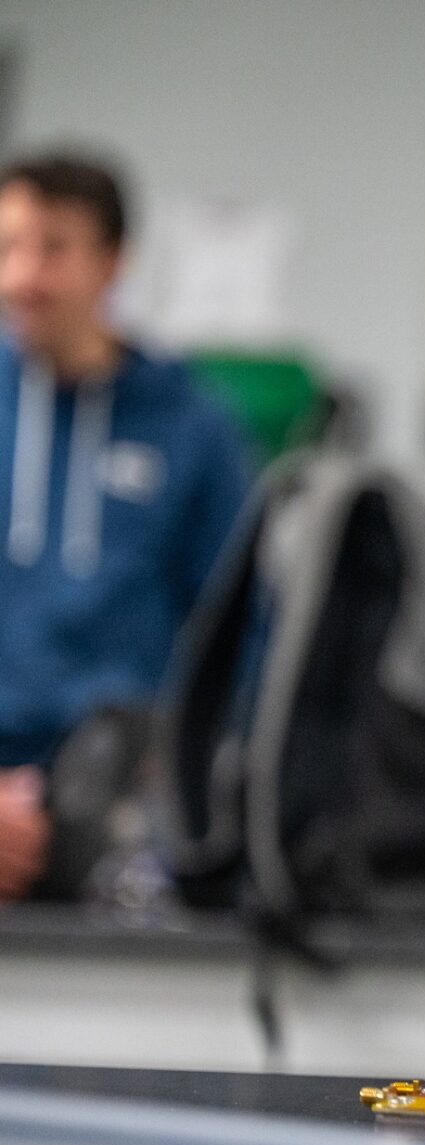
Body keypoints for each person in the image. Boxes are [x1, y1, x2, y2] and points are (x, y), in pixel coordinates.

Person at [0, 153, 251, 900]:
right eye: (8, 248)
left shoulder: (191, 426)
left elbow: (235, 630)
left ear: (113, 262)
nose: (24, 276)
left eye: (53, 248)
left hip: (128, 806)